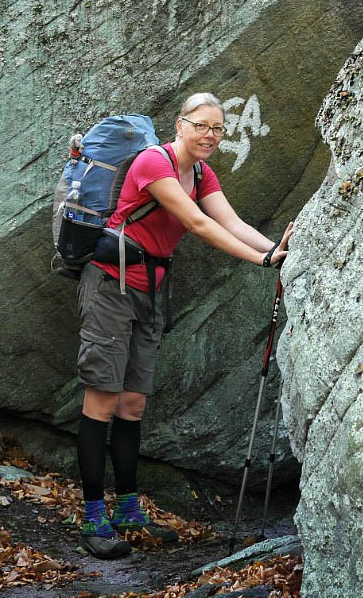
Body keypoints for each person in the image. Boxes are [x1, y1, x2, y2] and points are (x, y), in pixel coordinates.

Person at [74, 92, 293, 558]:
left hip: (151, 288)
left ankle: (128, 507)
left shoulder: (202, 172)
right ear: (181, 124)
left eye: (218, 128)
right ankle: (93, 514)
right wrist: (260, 260)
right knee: (103, 397)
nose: (211, 135)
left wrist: (278, 251)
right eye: (203, 126)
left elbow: (228, 219)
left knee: (132, 404)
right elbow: (195, 223)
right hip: (111, 284)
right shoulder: (154, 163)